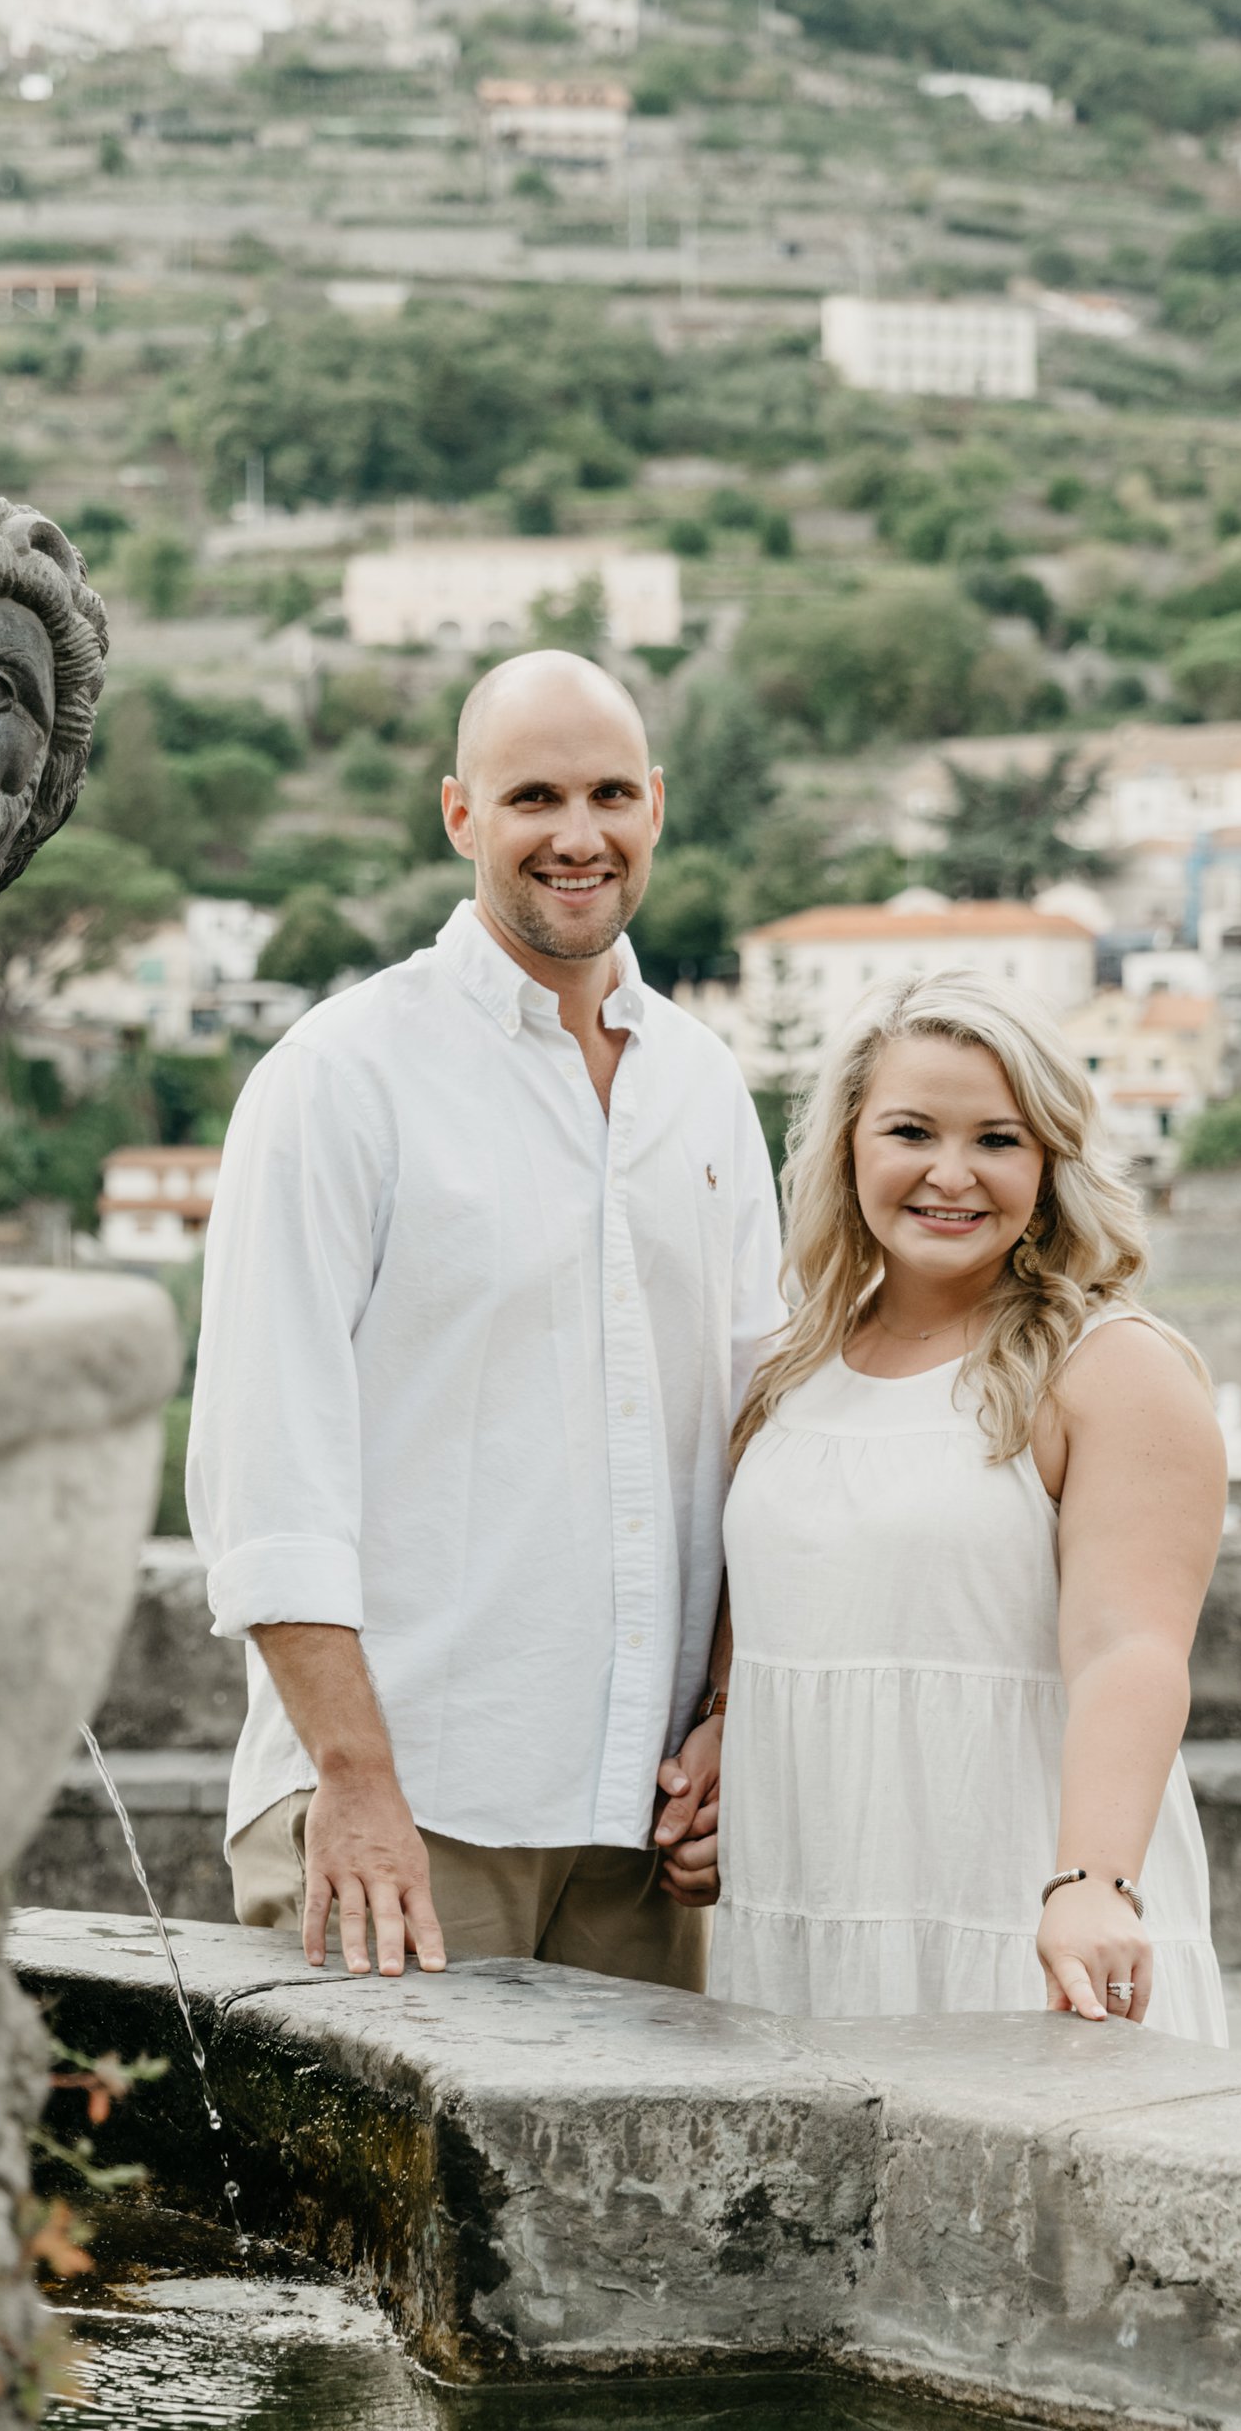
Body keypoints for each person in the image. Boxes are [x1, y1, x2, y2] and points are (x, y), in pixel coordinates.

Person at [186, 650, 782, 1984]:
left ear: (658, 807)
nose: (579, 836)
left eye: (611, 794)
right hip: (408, 1810)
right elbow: (263, 1472)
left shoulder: (705, 1086)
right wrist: (351, 1777)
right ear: (462, 816)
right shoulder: (341, 1079)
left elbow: (760, 1431)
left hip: (644, 1830)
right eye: (534, 798)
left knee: (644, 2206)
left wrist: (735, 1715)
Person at [705, 970, 1229, 2043]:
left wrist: (1092, 1883)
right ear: (850, 1146)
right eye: (911, 1131)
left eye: (998, 1139)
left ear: (1050, 1164)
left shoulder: (1113, 1367)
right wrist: (718, 1742)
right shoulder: (789, 1367)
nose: (952, 1174)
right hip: (806, 1904)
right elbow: (768, 1604)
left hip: (1020, 1910)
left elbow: (1129, 1648)